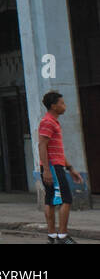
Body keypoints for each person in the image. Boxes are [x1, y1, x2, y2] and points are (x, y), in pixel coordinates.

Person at [39, 91, 83, 243]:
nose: (65, 106)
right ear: (54, 106)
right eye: (62, 103)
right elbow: (42, 146)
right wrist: (46, 170)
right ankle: (63, 237)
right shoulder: (48, 122)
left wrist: (70, 169)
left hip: (55, 166)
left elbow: (56, 150)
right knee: (66, 199)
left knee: (51, 200)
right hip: (52, 167)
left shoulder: (53, 122)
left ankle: (52, 237)